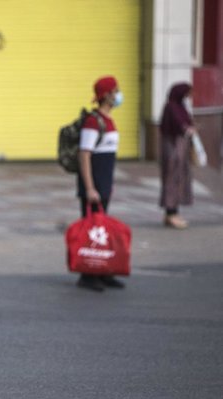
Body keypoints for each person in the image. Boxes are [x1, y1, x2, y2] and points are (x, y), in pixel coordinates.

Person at [76, 75, 125, 292]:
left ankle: (103, 271)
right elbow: (84, 155)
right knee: (91, 232)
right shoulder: (92, 121)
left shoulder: (108, 120)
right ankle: (87, 275)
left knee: (101, 230)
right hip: (93, 187)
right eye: (115, 91)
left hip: (104, 185)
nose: (118, 95)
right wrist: (89, 188)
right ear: (106, 95)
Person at [159, 82, 195, 229]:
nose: (188, 97)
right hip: (173, 149)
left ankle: (172, 212)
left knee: (178, 179)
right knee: (172, 179)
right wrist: (187, 129)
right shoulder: (171, 107)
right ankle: (171, 212)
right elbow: (178, 125)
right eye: (187, 93)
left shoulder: (180, 106)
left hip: (178, 148)